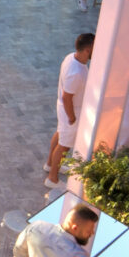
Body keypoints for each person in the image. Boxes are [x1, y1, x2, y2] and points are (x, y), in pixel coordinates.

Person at [44, 32, 93, 187]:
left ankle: (50, 164)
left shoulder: (71, 57)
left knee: (60, 135)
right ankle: (52, 179)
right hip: (70, 110)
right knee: (64, 145)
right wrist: (72, 118)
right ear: (87, 49)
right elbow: (67, 97)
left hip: (65, 109)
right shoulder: (76, 73)